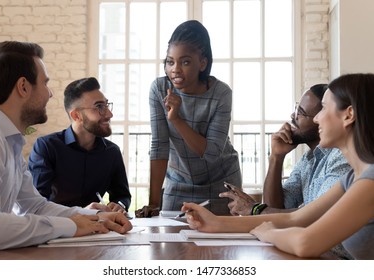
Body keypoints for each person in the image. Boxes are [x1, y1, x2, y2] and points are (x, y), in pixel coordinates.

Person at [182, 73, 374, 259]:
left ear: (349, 115)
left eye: (323, 108)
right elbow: (296, 218)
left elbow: (305, 242)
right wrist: (214, 222)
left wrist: (268, 233)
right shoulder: (352, 179)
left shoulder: (370, 182)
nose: (317, 118)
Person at [0, 41, 132, 251]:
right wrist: (70, 225)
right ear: (23, 87)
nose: (50, 94)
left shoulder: (9, 140)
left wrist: (97, 216)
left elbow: (34, 205)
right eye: (45, 83)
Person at [136, 20, 242, 217]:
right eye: (170, 62)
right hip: (179, 182)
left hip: (221, 182)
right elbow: (159, 146)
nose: (175, 69)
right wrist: (153, 202)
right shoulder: (159, 89)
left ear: (202, 63)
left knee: (217, 247)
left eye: (185, 62)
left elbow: (210, 153)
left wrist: (176, 119)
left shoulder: (221, 93)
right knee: (171, 243)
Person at [220, 84, 351, 216]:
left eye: (301, 113)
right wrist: (276, 157)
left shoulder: (342, 158)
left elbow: (317, 216)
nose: (293, 116)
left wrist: (254, 209)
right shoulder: (308, 160)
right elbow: (276, 209)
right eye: (296, 109)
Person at [28, 77, 131, 213]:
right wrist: (81, 212)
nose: (109, 114)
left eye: (106, 105)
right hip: (58, 230)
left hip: (100, 230)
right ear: (77, 116)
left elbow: (122, 196)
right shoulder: (47, 147)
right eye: (99, 107)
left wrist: (120, 205)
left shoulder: (112, 152)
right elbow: (37, 204)